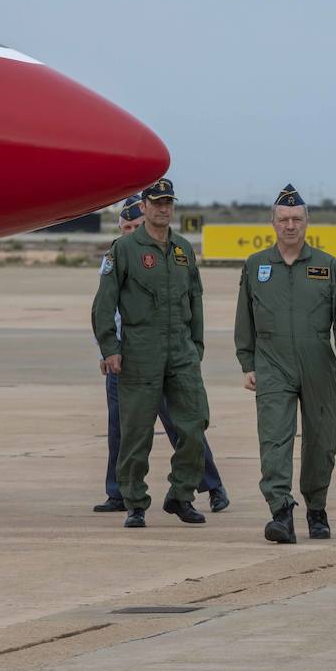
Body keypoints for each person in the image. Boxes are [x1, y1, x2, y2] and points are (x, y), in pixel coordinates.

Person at [235, 184, 336, 544]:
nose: (290, 225)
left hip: (317, 363)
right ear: (272, 223)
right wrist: (247, 361)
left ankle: (316, 508)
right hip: (272, 362)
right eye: (283, 219)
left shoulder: (326, 266)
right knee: (274, 438)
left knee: (321, 439)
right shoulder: (256, 266)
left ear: (307, 222)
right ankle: (281, 512)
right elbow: (244, 317)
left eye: (297, 219)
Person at [95, 194, 228, 514]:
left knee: (184, 425)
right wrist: (107, 350)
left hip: (166, 355)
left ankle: (211, 485)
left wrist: (193, 349)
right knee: (123, 428)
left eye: (135, 225)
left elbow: (192, 300)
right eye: (125, 226)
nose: (130, 231)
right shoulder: (118, 254)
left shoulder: (175, 251)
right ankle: (119, 494)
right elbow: (104, 308)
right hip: (125, 358)